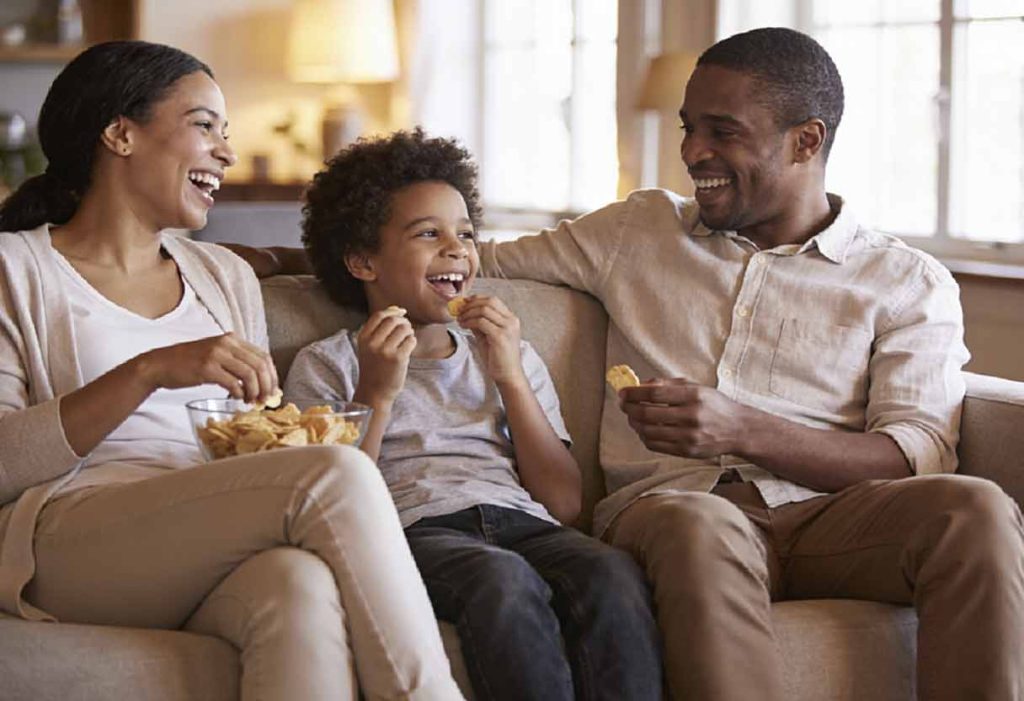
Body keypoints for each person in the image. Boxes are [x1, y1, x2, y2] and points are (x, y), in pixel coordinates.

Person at [474, 27, 1024, 700]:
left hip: (832, 520)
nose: (690, 152)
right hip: (676, 508)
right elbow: (470, 262)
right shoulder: (636, 231)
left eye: (723, 131)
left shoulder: (905, 280)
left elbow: (916, 455)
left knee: (974, 509)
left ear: (806, 141)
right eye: (689, 128)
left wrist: (743, 429)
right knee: (698, 523)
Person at [0, 41, 463, 701]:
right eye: (205, 126)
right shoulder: (16, 268)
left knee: (298, 586)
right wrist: (149, 370)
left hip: (205, 525)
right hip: (65, 540)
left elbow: (251, 434)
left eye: (227, 133)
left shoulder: (223, 276)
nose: (226, 152)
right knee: (336, 473)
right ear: (120, 133)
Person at [283, 128, 663, 701]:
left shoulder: (511, 354)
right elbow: (333, 506)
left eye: (464, 233)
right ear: (363, 260)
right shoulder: (328, 364)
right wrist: (376, 395)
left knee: (612, 573)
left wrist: (509, 375)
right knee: (502, 580)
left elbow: (563, 503)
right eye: (427, 233)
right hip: (412, 531)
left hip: (523, 522)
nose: (457, 249)